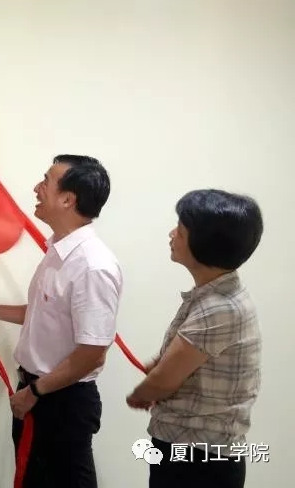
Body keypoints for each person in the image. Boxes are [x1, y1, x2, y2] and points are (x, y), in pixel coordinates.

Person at [0, 154, 122, 488]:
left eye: (46, 181)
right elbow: (42, 312)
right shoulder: (58, 252)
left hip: (61, 401)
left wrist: (35, 391)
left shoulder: (92, 266)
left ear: (68, 199)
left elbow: (93, 352)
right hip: (37, 393)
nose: (37, 188)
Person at [126, 189, 263, 488]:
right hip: (199, 452)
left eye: (181, 230)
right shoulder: (217, 296)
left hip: (197, 457)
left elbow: (165, 380)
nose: (171, 234)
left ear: (205, 244)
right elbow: (187, 360)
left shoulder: (219, 308)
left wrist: (141, 394)